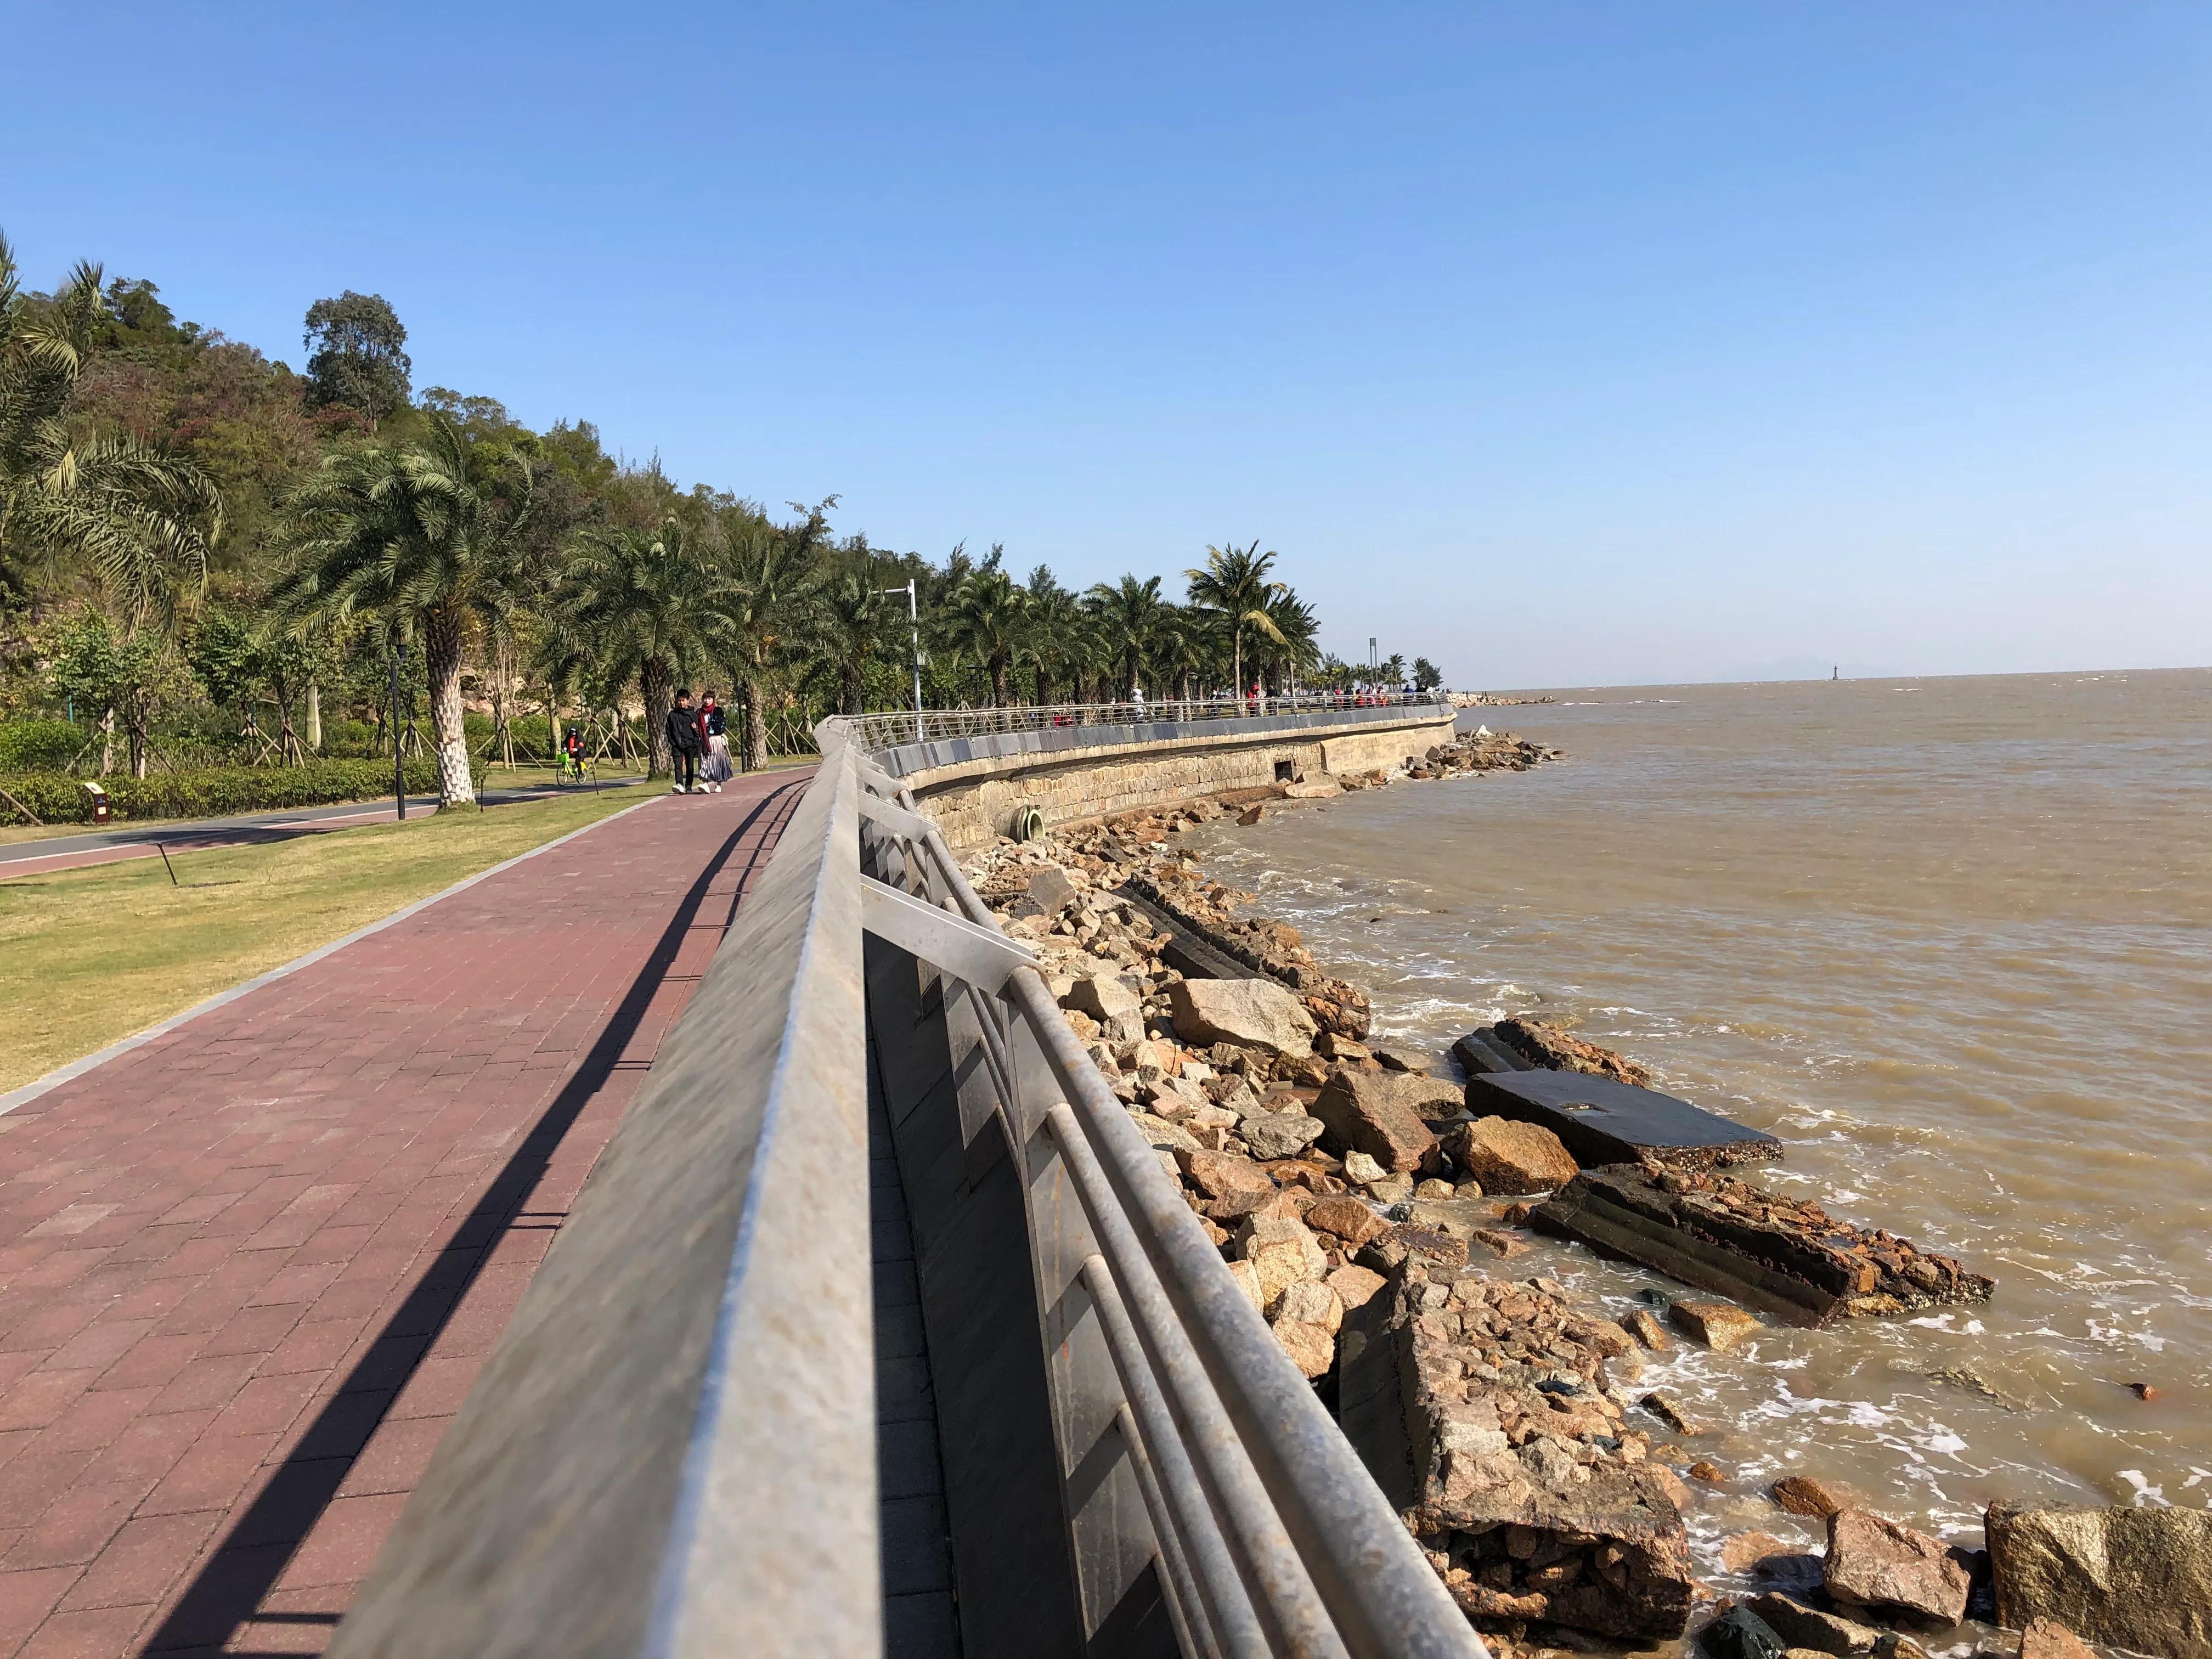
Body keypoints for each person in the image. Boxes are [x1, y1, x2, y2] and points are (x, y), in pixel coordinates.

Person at [664, 690, 703, 794]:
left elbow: (698, 729)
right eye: (680, 700)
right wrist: (673, 742)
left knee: (690, 767)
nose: (682, 703)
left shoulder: (693, 714)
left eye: (684, 700)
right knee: (678, 765)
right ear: (677, 700)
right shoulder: (672, 715)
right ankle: (679, 784)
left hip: (690, 745)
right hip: (677, 745)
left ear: (688, 700)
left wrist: (695, 742)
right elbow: (668, 730)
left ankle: (689, 786)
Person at [697, 693, 731, 792]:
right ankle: (705, 783)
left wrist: (711, 728)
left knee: (717, 761)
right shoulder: (699, 712)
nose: (707, 701)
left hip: (716, 739)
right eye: (705, 699)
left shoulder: (718, 711)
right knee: (705, 761)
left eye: (709, 699)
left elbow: (722, 725)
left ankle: (719, 784)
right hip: (705, 740)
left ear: (713, 700)